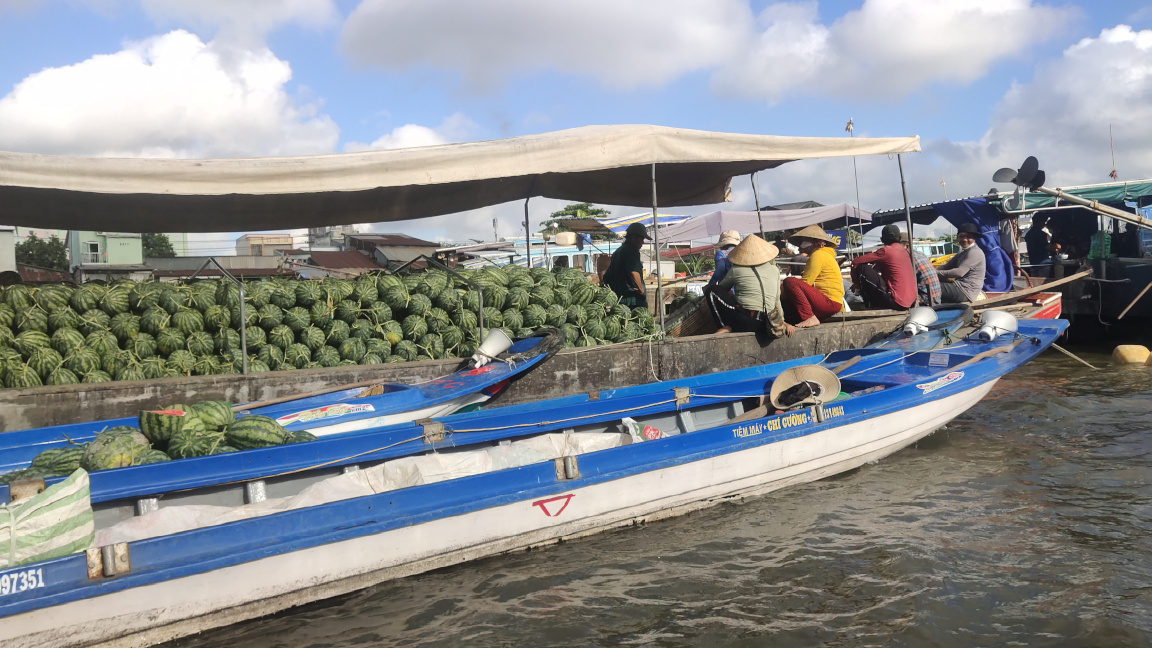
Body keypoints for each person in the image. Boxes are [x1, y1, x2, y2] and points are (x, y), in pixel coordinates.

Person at [703, 234, 793, 338]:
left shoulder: (737, 269)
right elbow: (777, 300)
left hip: (745, 323)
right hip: (769, 323)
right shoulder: (775, 270)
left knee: (712, 290)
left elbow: (721, 290)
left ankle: (725, 326)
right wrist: (783, 321)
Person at [780, 225, 844, 327]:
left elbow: (806, 282)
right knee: (784, 288)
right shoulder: (820, 254)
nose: (801, 244)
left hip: (829, 303)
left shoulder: (818, 255)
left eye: (804, 240)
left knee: (789, 282)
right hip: (827, 302)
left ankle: (809, 317)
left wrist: (780, 296)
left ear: (816, 242)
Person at [849, 224, 916, 310]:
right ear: (899, 238)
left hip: (897, 302)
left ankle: (869, 305)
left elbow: (856, 261)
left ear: (881, 239)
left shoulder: (885, 251)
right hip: (910, 301)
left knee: (862, 267)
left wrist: (856, 283)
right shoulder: (904, 252)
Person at [602, 222, 649, 308]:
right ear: (634, 237)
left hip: (619, 299)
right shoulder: (632, 251)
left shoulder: (618, 251)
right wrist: (641, 291)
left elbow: (607, 277)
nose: (642, 242)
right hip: (631, 299)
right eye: (642, 239)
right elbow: (634, 272)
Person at [937, 222, 986, 303]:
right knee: (930, 282)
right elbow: (946, 266)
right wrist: (932, 272)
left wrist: (935, 273)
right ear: (957, 238)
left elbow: (959, 272)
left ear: (974, 238)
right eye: (961, 236)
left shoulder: (975, 252)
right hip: (958, 287)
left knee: (928, 287)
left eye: (968, 237)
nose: (964, 239)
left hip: (965, 291)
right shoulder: (962, 253)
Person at [900, 232, 941, 306]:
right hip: (935, 298)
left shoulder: (910, 259)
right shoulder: (920, 254)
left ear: (906, 246)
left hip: (926, 300)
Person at [1023, 214, 1052, 279]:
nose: (1044, 224)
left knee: (1035, 280)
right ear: (1040, 222)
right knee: (1043, 281)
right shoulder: (1041, 234)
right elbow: (1047, 246)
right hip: (1043, 262)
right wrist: (1056, 247)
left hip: (1033, 261)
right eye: (1044, 222)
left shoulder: (1029, 234)